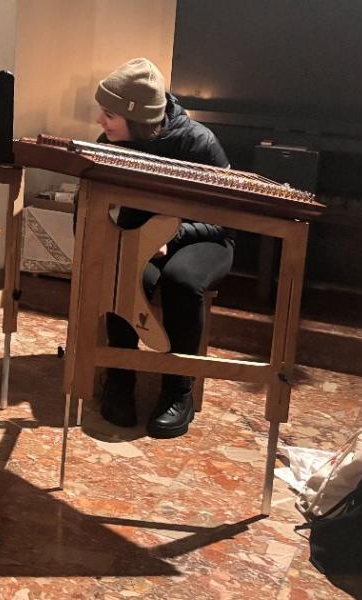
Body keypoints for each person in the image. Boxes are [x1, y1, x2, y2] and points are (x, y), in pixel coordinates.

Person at [92, 58, 233, 438]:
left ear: (137, 118)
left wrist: (173, 238)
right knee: (125, 273)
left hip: (202, 237)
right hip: (141, 238)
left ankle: (178, 389)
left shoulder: (199, 142)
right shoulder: (110, 144)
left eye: (109, 115)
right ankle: (119, 378)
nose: (100, 122)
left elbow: (226, 218)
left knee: (182, 280)